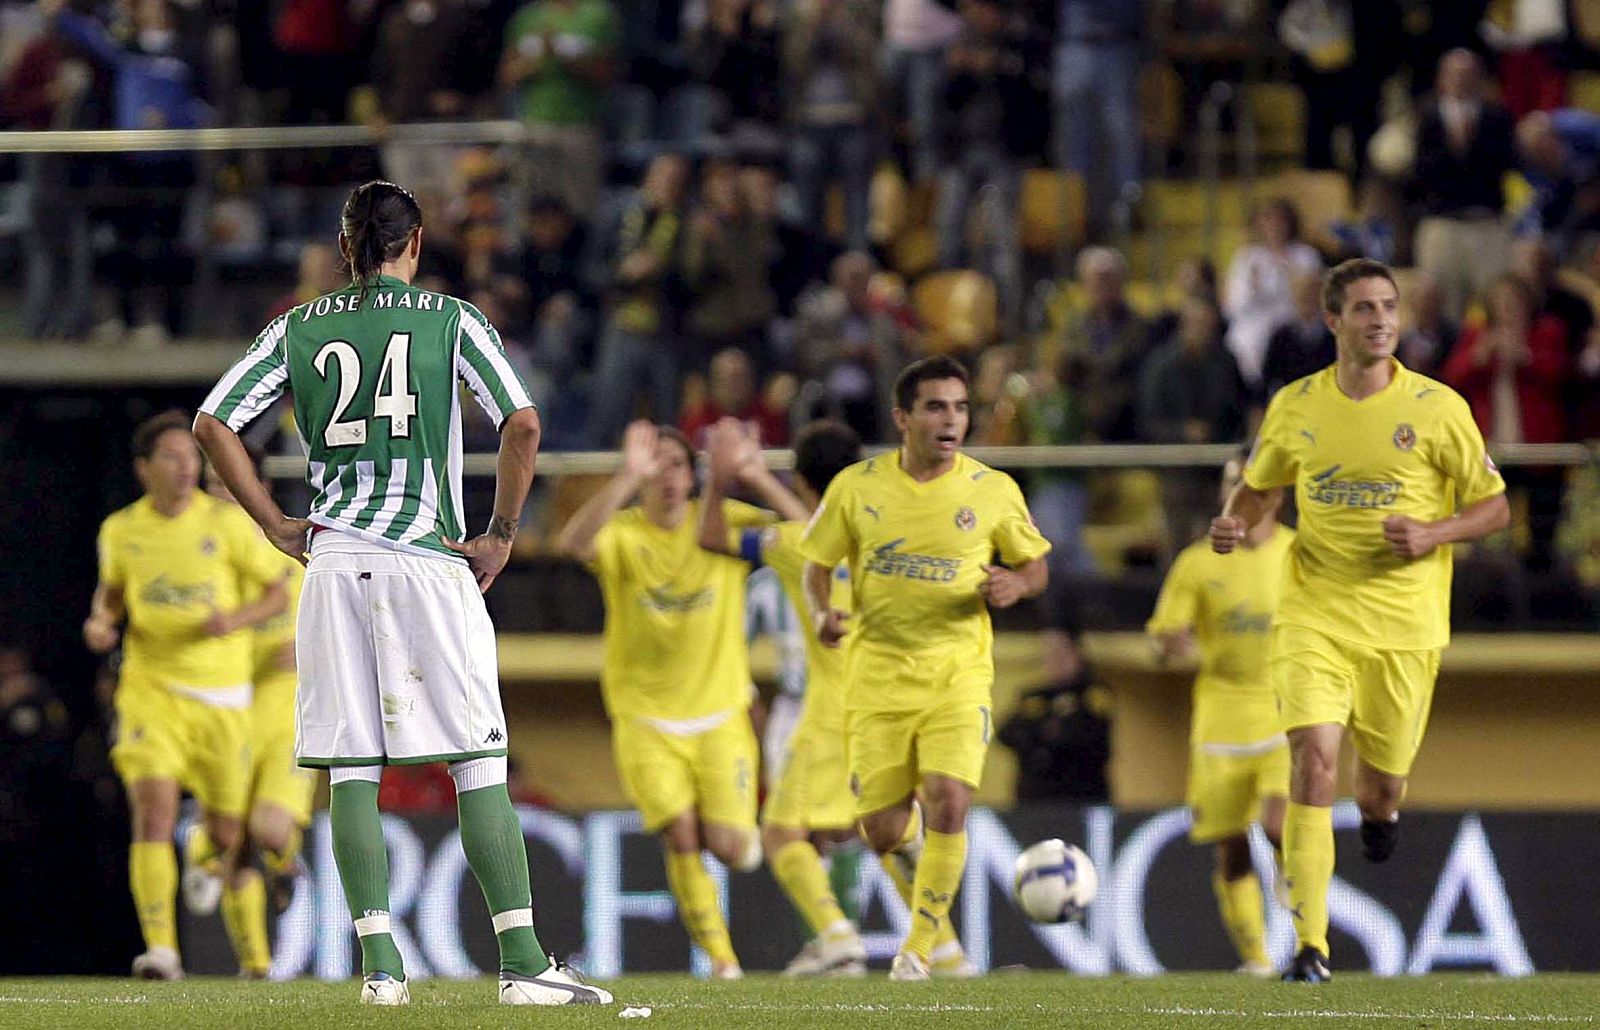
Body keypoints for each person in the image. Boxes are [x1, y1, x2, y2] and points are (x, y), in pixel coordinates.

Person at [192, 180, 610, 1007]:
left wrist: (275, 521)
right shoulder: (451, 320)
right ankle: (523, 962)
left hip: (334, 559)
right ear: (413, 243)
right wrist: (502, 530)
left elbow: (212, 423)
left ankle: (381, 970)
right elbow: (521, 423)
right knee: (477, 759)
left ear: (346, 248)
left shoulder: (293, 328)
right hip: (426, 554)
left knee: (351, 768)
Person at [1211, 258, 1509, 982]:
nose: (1380, 320)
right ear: (1333, 320)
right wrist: (1231, 522)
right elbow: (1260, 490)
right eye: (1365, 308)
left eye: (1388, 307)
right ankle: (1310, 945)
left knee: (1378, 788)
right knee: (1312, 757)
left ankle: (1381, 816)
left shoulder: (1437, 409)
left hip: (1405, 629)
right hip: (1315, 612)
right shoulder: (1296, 407)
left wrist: (1434, 534)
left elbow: (1495, 507)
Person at [799, 355, 1052, 980]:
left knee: (949, 797)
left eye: (961, 408)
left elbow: (1036, 565)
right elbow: (814, 565)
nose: (952, 420)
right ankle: (914, 859)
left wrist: (1016, 586)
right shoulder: (857, 488)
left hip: (958, 673)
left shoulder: (992, 490)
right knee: (883, 832)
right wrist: (824, 611)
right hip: (878, 676)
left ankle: (917, 950)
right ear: (903, 417)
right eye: (936, 407)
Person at [552, 421, 770, 980]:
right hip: (645, 716)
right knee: (680, 833)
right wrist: (627, 475)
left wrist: (753, 476)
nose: (669, 478)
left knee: (727, 846)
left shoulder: (722, 524)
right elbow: (572, 544)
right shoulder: (625, 534)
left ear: (694, 475)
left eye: (678, 466)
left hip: (721, 712)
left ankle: (743, 843)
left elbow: (813, 535)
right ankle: (723, 961)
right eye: (659, 467)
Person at [83, 410, 290, 980]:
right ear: (143, 469)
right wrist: (101, 621)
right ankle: (162, 951)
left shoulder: (225, 524)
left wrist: (236, 619)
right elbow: (112, 596)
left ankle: (255, 964)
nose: (186, 468)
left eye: (192, 457)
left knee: (229, 837)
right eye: (173, 458)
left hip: (223, 698)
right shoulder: (121, 530)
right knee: (152, 808)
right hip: (151, 689)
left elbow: (277, 593)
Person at [695, 417, 871, 976]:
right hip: (885, 697)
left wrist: (736, 477)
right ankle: (835, 940)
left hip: (822, 705)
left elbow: (716, 538)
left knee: (793, 831)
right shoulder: (887, 533)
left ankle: (840, 933)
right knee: (842, 827)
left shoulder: (794, 545)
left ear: (802, 481)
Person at [1148, 453, 1292, 978]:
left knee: (1279, 823)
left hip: (1285, 709)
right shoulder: (1198, 562)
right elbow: (1166, 633)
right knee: (1231, 849)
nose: (1240, 496)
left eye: (1251, 486)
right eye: (1232, 485)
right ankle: (1256, 957)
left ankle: (1290, 868)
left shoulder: (1299, 555)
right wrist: (1171, 643)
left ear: (1273, 496)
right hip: (1221, 718)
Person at [181, 450, 317, 979]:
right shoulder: (198, 557)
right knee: (230, 837)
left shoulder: (290, 547)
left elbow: (339, 621)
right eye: (212, 482)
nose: (221, 492)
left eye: (228, 480)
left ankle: (284, 867)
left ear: (254, 484)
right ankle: (256, 966)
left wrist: (312, 651)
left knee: (267, 829)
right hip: (227, 707)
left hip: (286, 709)